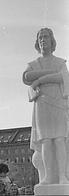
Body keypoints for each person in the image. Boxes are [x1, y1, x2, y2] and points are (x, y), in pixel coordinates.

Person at [23, 28, 69, 185]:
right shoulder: (34, 64)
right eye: (40, 38)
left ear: (52, 40)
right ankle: (48, 177)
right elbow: (26, 77)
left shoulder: (60, 63)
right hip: (42, 105)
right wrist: (48, 74)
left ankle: (62, 176)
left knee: (59, 140)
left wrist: (40, 80)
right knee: (46, 141)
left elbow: (63, 77)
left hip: (58, 104)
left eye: (46, 37)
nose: (43, 40)